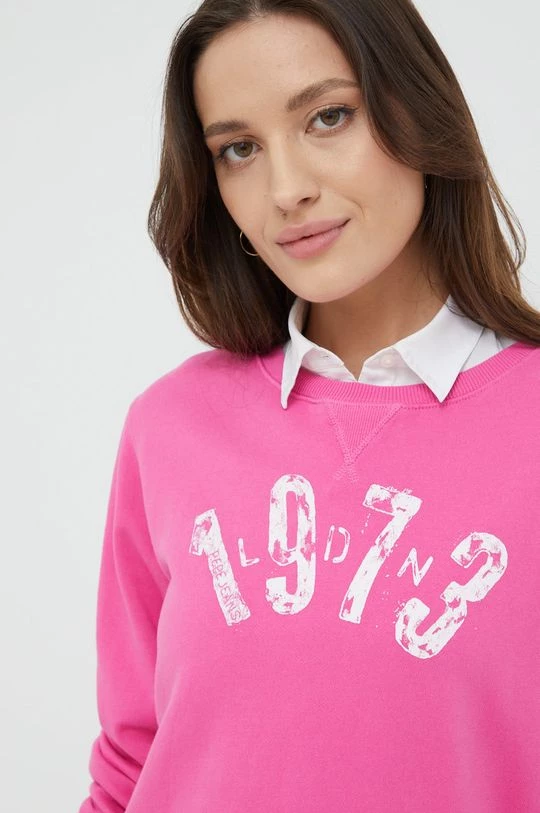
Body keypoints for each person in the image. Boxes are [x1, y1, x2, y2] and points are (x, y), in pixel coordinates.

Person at [78, 1, 540, 811]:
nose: (286, 189)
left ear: (417, 109)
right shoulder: (169, 427)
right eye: (239, 149)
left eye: (328, 116)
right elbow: (128, 765)